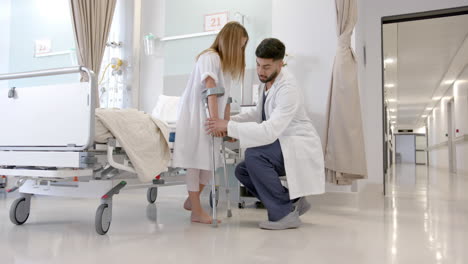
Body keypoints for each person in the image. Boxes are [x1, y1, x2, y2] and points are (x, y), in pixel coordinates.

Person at [205, 38, 325, 230]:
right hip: (282, 144)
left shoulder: (288, 88)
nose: (260, 71)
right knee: (241, 170)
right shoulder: (267, 82)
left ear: (280, 63)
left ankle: (284, 214)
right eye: (258, 65)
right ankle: (292, 202)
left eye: (266, 67)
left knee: (254, 155)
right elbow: (257, 113)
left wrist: (229, 126)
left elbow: (269, 131)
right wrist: (230, 122)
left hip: (296, 145)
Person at [172, 21, 249, 224]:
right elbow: (210, 89)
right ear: (230, 42)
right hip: (198, 115)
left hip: (213, 116)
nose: (241, 50)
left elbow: (226, 99)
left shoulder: (226, 67)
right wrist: (214, 120)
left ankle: (192, 201)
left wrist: (226, 124)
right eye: (240, 46)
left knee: (210, 161)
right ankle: (196, 211)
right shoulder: (209, 57)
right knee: (196, 161)